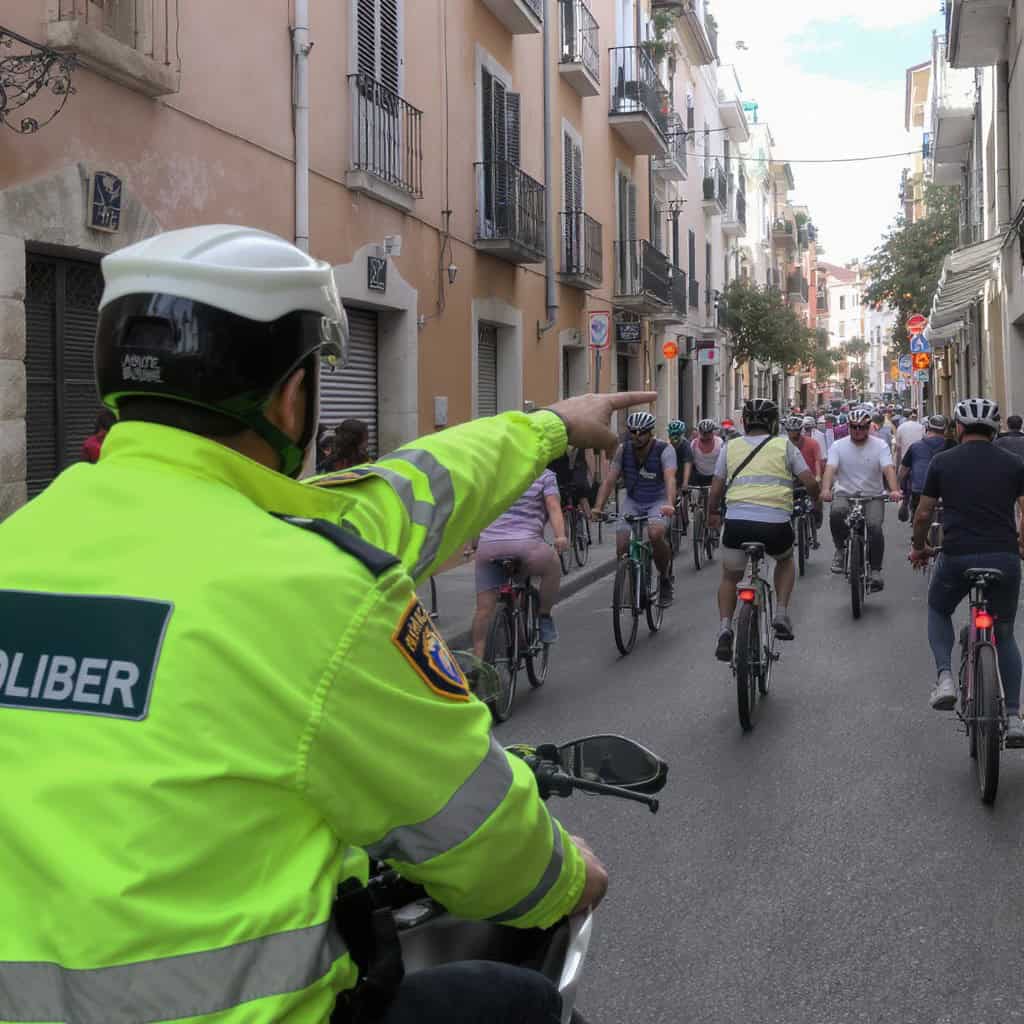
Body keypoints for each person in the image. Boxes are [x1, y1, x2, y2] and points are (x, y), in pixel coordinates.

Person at [0, 225, 648, 1023]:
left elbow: (411, 491)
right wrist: (564, 875)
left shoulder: (22, 541)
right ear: (289, 395)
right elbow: (477, 835)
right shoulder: (317, 590)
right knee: (519, 1001)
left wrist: (548, 425)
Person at [910, 398, 1024, 744]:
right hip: (1003, 555)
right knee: (1004, 632)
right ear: (994, 430)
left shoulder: (943, 462)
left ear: (958, 428)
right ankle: (1015, 716)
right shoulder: (1014, 463)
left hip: (957, 556)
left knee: (938, 608)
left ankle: (945, 677)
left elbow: (923, 514)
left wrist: (919, 547)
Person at [708, 399, 819, 659]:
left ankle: (725, 628)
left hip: (736, 525)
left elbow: (715, 490)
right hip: (775, 526)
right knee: (785, 560)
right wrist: (815, 501)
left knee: (729, 576)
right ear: (772, 422)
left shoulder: (730, 446)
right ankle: (781, 613)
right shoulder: (785, 446)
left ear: (745, 422)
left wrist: (713, 513)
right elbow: (810, 482)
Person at [470, 470, 567, 650]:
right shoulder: (545, 475)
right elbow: (553, 506)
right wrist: (560, 536)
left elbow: (478, 509)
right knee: (553, 565)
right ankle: (544, 616)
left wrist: (475, 542)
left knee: (483, 610)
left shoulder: (494, 472)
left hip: (489, 546)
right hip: (526, 546)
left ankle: (478, 664)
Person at [592, 410, 677, 606]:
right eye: (633, 432)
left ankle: (664, 578)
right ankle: (633, 583)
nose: (637, 437)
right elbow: (609, 480)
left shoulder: (665, 449)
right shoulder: (624, 450)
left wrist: (670, 503)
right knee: (622, 544)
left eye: (642, 433)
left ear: (650, 433)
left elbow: (670, 478)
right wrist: (598, 507)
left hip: (658, 500)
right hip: (633, 500)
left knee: (655, 534)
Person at [820, 406, 902, 590]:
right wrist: (826, 489)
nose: (858, 431)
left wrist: (894, 489)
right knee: (837, 512)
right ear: (848, 427)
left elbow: (888, 468)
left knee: (874, 527)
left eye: (862, 427)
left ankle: (875, 571)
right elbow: (830, 469)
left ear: (868, 427)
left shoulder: (879, 445)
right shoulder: (838, 446)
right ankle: (840, 550)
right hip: (845, 493)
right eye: (854, 427)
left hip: (873, 495)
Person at [898, 415, 948, 518]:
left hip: (920, 491)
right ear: (945, 431)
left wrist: (896, 488)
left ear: (927, 429)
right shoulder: (952, 445)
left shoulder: (916, 446)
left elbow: (903, 471)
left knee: (919, 520)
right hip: (946, 492)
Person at [668, 419, 693, 535]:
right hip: (671, 476)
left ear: (682, 434)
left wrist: (685, 483)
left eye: (677, 435)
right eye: (672, 435)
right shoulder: (667, 446)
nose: (674, 438)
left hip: (683, 475)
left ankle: (684, 522)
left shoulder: (686, 446)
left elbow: (687, 464)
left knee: (682, 502)